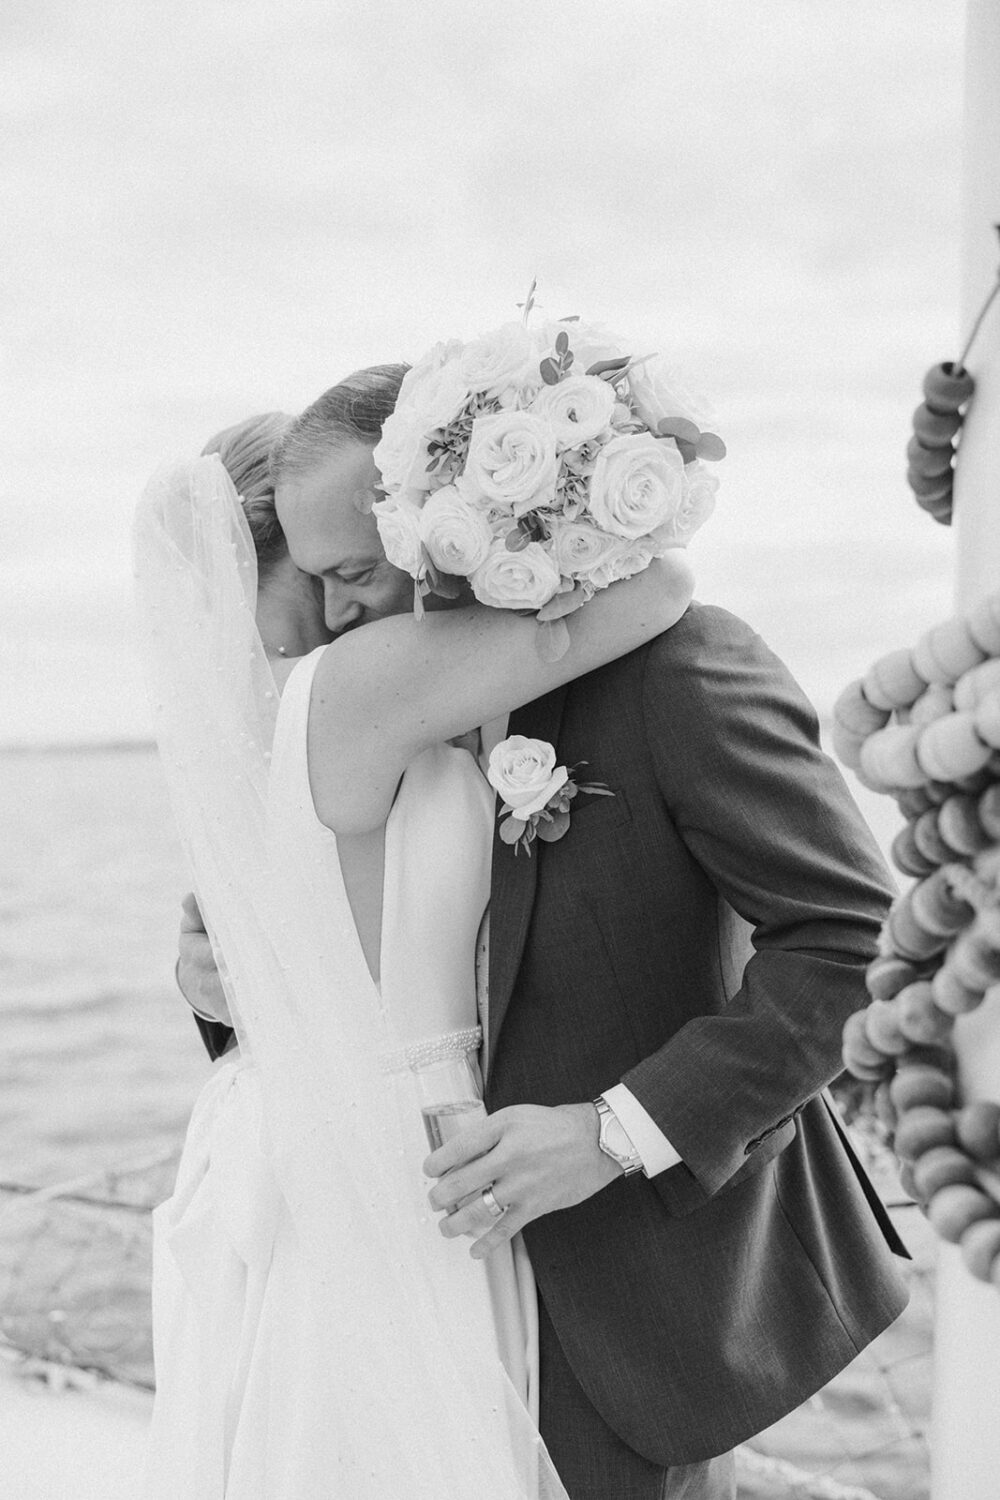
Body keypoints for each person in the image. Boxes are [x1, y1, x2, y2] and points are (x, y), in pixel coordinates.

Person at [176, 364, 911, 1500]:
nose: (336, 617)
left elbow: (850, 941)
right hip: (407, 1254)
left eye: (357, 570)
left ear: (431, 522)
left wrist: (614, 1132)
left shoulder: (680, 667)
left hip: (633, 1283)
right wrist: (228, 987)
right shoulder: (367, 704)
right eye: (318, 579)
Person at [136, 414, 696, 1500]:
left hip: (282, 1125)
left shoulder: (246, 717)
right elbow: (657, 589)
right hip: (397, 1144)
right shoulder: (353, 684)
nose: (351, 597)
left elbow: (266, 944)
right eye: (329, 568)